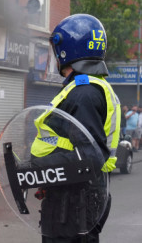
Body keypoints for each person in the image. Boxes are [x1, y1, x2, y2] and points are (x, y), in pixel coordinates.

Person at [30, 14, 121, 243]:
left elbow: (89, 157)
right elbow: (71, 145)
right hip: (70, 199)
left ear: (66, 50)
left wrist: (35, 169)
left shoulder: (84, 93)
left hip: (73, 207)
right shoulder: (87, 89)